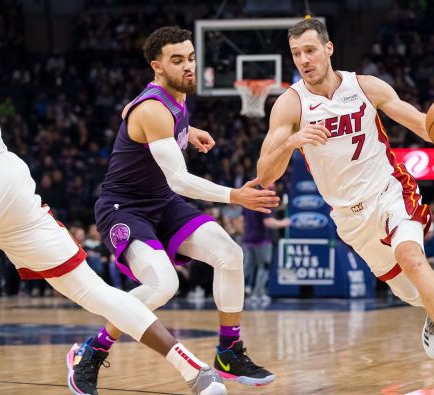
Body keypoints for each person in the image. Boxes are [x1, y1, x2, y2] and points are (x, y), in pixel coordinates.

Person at [256, 18, 434, 392]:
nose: (304, 60)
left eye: (310, 50)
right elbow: (265, 174)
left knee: (413, 259)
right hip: (349, 217)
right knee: (408, 292)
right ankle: (431, 312)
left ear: (329, 49)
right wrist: (291, 140)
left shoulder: (365, 87)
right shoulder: (289, 105)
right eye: (297, 54)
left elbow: (428, 127)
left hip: (389, 191)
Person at [69, 26, 278, 393]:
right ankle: (91, 350)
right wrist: (235, 196)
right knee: (163, 284)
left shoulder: (173, 100)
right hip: (125, 208)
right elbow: (180, 180)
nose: (188, 66)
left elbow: (128, 112)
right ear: (156, 66)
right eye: (177, 60)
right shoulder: (154, 108)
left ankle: (229, 351)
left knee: (230, 254)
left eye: (191, 58)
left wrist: (186, 129)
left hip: (161, 202)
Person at [0, 112, 227, 395]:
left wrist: (179, 129)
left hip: (11, 194)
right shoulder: (154, 106)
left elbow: (138, 108)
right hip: (13, 186)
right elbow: (137, 107)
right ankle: (192, 369)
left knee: (148, 286)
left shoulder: (160, 105)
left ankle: (98, 354)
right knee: (106, 290)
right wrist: (182, 129)